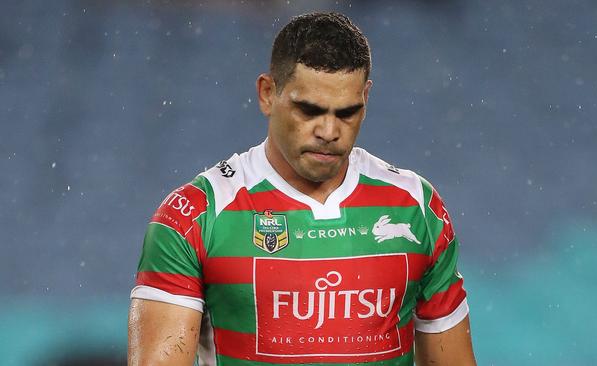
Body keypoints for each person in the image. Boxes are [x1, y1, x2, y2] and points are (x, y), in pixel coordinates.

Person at [128, 12, 476, 366]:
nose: (328, 130)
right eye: (309, 110)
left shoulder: (416, 207)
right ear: (267, 94)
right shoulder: (195, 216)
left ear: (366, 98)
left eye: (346, 113)